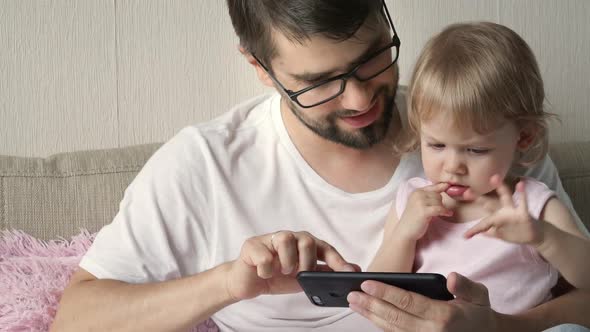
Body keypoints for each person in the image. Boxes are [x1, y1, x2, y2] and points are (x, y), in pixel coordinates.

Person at [51, 1, 590, 331]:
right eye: (320, 82)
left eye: (373, 57)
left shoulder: (470, 124)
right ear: (260, 67)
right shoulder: (204, 165)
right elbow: (76, 320)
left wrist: (498, 329)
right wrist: (231, 284)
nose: (359, 99)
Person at [365, 22, 590, 316]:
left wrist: (544, 237)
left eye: (475, 150)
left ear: (523, 137)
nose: (453, 166)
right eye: (436, 145)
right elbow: (375, 291)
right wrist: (404, 235)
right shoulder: (412, 201)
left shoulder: (533, 206)